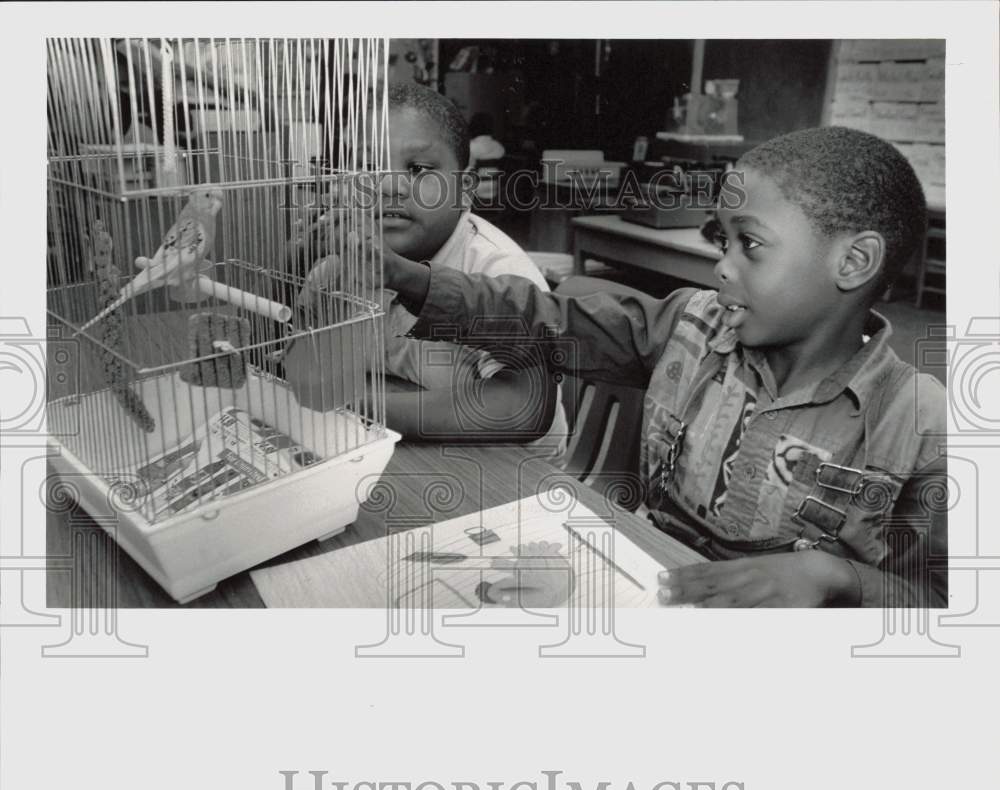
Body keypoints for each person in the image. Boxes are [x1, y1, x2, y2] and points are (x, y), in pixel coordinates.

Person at [371, 126, 947, 608]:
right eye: (722, 240)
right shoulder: (689, 328)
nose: (720, 267)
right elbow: (546, 317)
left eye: (750, 244)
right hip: (648, 588)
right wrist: (413, 280)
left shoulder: (917, 422)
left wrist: (839, 579)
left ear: (854, 261)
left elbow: (944, 599)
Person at [287, 82, 566, 450]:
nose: (388, 186)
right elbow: (296, 357)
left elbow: (520, 407)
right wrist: (295, 264)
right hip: (398, 453)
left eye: (418, 168)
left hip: (510, 479)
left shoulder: (498, 271)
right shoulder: (344, 257)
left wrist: (354, 405)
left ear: (465, 188)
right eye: (369, 167)